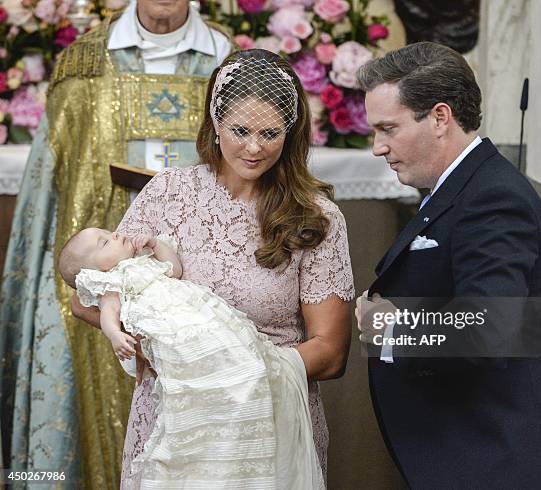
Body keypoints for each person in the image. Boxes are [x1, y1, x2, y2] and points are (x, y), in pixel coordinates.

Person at [71, 48, 354, 488]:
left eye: (271, 133)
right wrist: (156, 349)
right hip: (175, 418)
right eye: (240, 130)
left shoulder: (316, 217)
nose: (255, 147)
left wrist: (234, 374)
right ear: (215, 122)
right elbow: (88, 293)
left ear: (291, 132)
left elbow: (332, 352)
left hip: (267, 420)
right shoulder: (168, 193)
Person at [0, 0, 232, 485]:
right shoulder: (86, 61)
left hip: (200, 257)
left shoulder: (224, 61)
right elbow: (52, 183)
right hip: (102, 247)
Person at [355, 42, 541, 488]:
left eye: (389, 128)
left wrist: (392, 330)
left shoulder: (491, 197)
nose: (377, 147)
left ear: (440, 117)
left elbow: (487, 329)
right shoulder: (462, 185)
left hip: (500, 461)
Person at [58, 228, 324, 489]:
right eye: (104, 243)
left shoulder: (143, 260)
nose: (115, 235)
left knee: (235, 351)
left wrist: (156, 245)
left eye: (108, 232)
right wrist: (116, 335)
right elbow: (108, 313)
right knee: (202, 383)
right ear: (97, 272)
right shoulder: (112, 282)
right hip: (175, 337)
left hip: (202, 317)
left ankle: (249, 413)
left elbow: (174, 270)